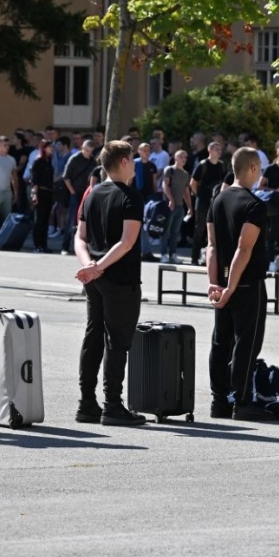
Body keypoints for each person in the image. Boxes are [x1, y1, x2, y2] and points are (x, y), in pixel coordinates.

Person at [73, 140, 147, 426]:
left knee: (93, 336)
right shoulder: (130, 197)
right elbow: (127, 242)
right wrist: (99, 266)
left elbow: (79, 237)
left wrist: (88, 266)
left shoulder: (92, 193)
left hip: (95, 278)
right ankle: (112, 404)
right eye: (133, 159)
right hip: (119, 277)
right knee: (117, 341)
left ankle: (87, 403)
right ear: (125, 162)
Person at [206, 147, 273, 421]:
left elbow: (211, 246)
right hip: (246, 283)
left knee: (221, 341)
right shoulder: (254, 205)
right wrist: (232, 286)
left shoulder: (217, 200)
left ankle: (219, 400)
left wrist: (215, 283)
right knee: (247, 342)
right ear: (253, 168)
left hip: (221, 281)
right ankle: (242, 401)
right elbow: (243, 250)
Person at [190, 141, 227, 265]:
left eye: (220, 149)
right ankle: (194, 258)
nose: (219, 151)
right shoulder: (203, 165)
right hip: (203, 201)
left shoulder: (222, 166)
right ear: (210, 151)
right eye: (216, 149)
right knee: (200, 229)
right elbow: (193, 183)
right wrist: (199, 195)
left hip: (216, 202)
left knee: (214, 230)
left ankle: (210, 258)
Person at [62, 139, 97, 255]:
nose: (88, 153)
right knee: (72, 219)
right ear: (82, 147)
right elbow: (66, 177)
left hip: (86, 193)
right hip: (75, 192)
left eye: (90, 151)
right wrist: (72, 191)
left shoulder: (93, 162)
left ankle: (85, 247)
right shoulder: (75, 158)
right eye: (86, 150)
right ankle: (65, 246)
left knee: (86, 221)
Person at [161, 149, 193, 263]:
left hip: (180, 206)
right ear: (175, 158)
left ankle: (173, 254)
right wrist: (171, 200)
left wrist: (189, 207)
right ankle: (163, 254)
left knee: (175, 232)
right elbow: (165, 185)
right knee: (165, 231)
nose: (183, 159)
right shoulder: (169, 170)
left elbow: (186, 191)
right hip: (169, 205)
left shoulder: (185, 174)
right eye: (181, 157)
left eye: (185, 157)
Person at [30, 140, 56, 254]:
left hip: (49, 192)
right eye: (49, 147)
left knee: (46, 220)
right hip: (40, 192)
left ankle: (44, 244)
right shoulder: (38, 161)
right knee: (39, 220)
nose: (51, 149)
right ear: (44, 148)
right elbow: (35, 179)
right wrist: (35, 194)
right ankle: (37, 244)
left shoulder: (48, 161)